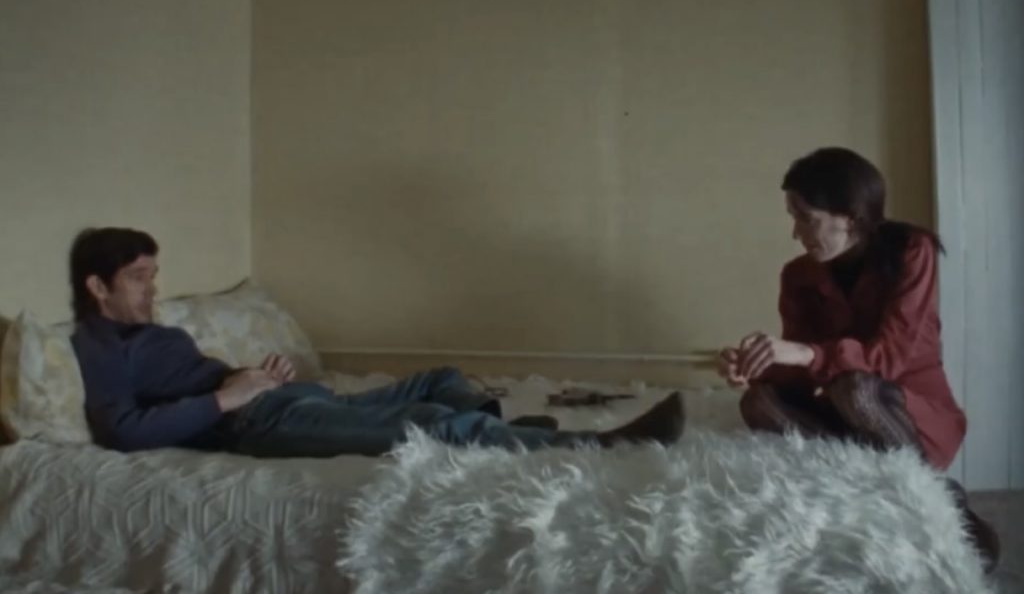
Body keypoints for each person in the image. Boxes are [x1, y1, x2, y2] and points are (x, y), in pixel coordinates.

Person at [69, 227, 684, 458]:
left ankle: (506, 434)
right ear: (98, 286)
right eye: (139, 278)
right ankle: (600, 445)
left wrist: (256, 375)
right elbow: (122, 431)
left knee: (441, 379)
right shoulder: (100, 346)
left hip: (282, 398)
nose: (153, 290)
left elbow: (197, 382)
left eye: (154, 275)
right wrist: (229, 399)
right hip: (255, 423)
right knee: (436, 423)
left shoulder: (154, 332)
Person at [716, 147, 998, 572]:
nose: (795, 232)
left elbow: (888, 358)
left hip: (908, 411)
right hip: (842, 411)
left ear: (849, 216)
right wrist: (755, 365)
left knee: (856, 387)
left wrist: (807, 353)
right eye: (793, 217)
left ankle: (937, 496)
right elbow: (800, 372)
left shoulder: (912, 251)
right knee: (757, 401)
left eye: (805, 218)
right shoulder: (797, 276)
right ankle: (863, 479)